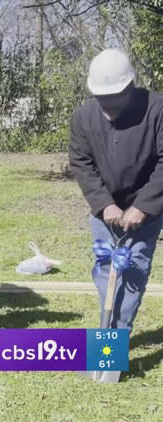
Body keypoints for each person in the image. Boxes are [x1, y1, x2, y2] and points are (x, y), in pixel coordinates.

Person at [69, 48, 163, 331]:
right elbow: (81, 162)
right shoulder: (84, 116)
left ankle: (115, 344)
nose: (107, 104)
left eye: (114, 98)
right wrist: (103, 203)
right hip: (105, 213)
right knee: (106, 274)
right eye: (101, 98)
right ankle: (107, 338)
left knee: (132, 271)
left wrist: (143, 206)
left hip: (144, 210)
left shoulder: (157, 109)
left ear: (130, 87)